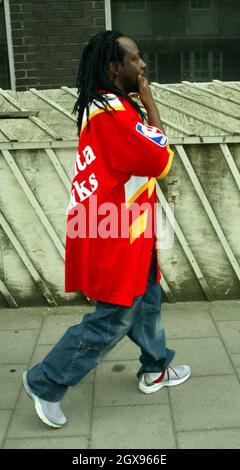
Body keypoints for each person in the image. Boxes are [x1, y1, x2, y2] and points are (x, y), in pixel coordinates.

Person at [22, 31, 191, 429]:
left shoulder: (108, 104)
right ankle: (45, 382)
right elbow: (160, 159)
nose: (143, 66)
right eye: (136, 59)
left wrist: (142, 106)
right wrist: (150, 103)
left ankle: (155, 367)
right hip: (113, 230)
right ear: (114, 66)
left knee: (147, 299)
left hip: (127, 224)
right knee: (115, 316)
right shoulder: (113, 114)